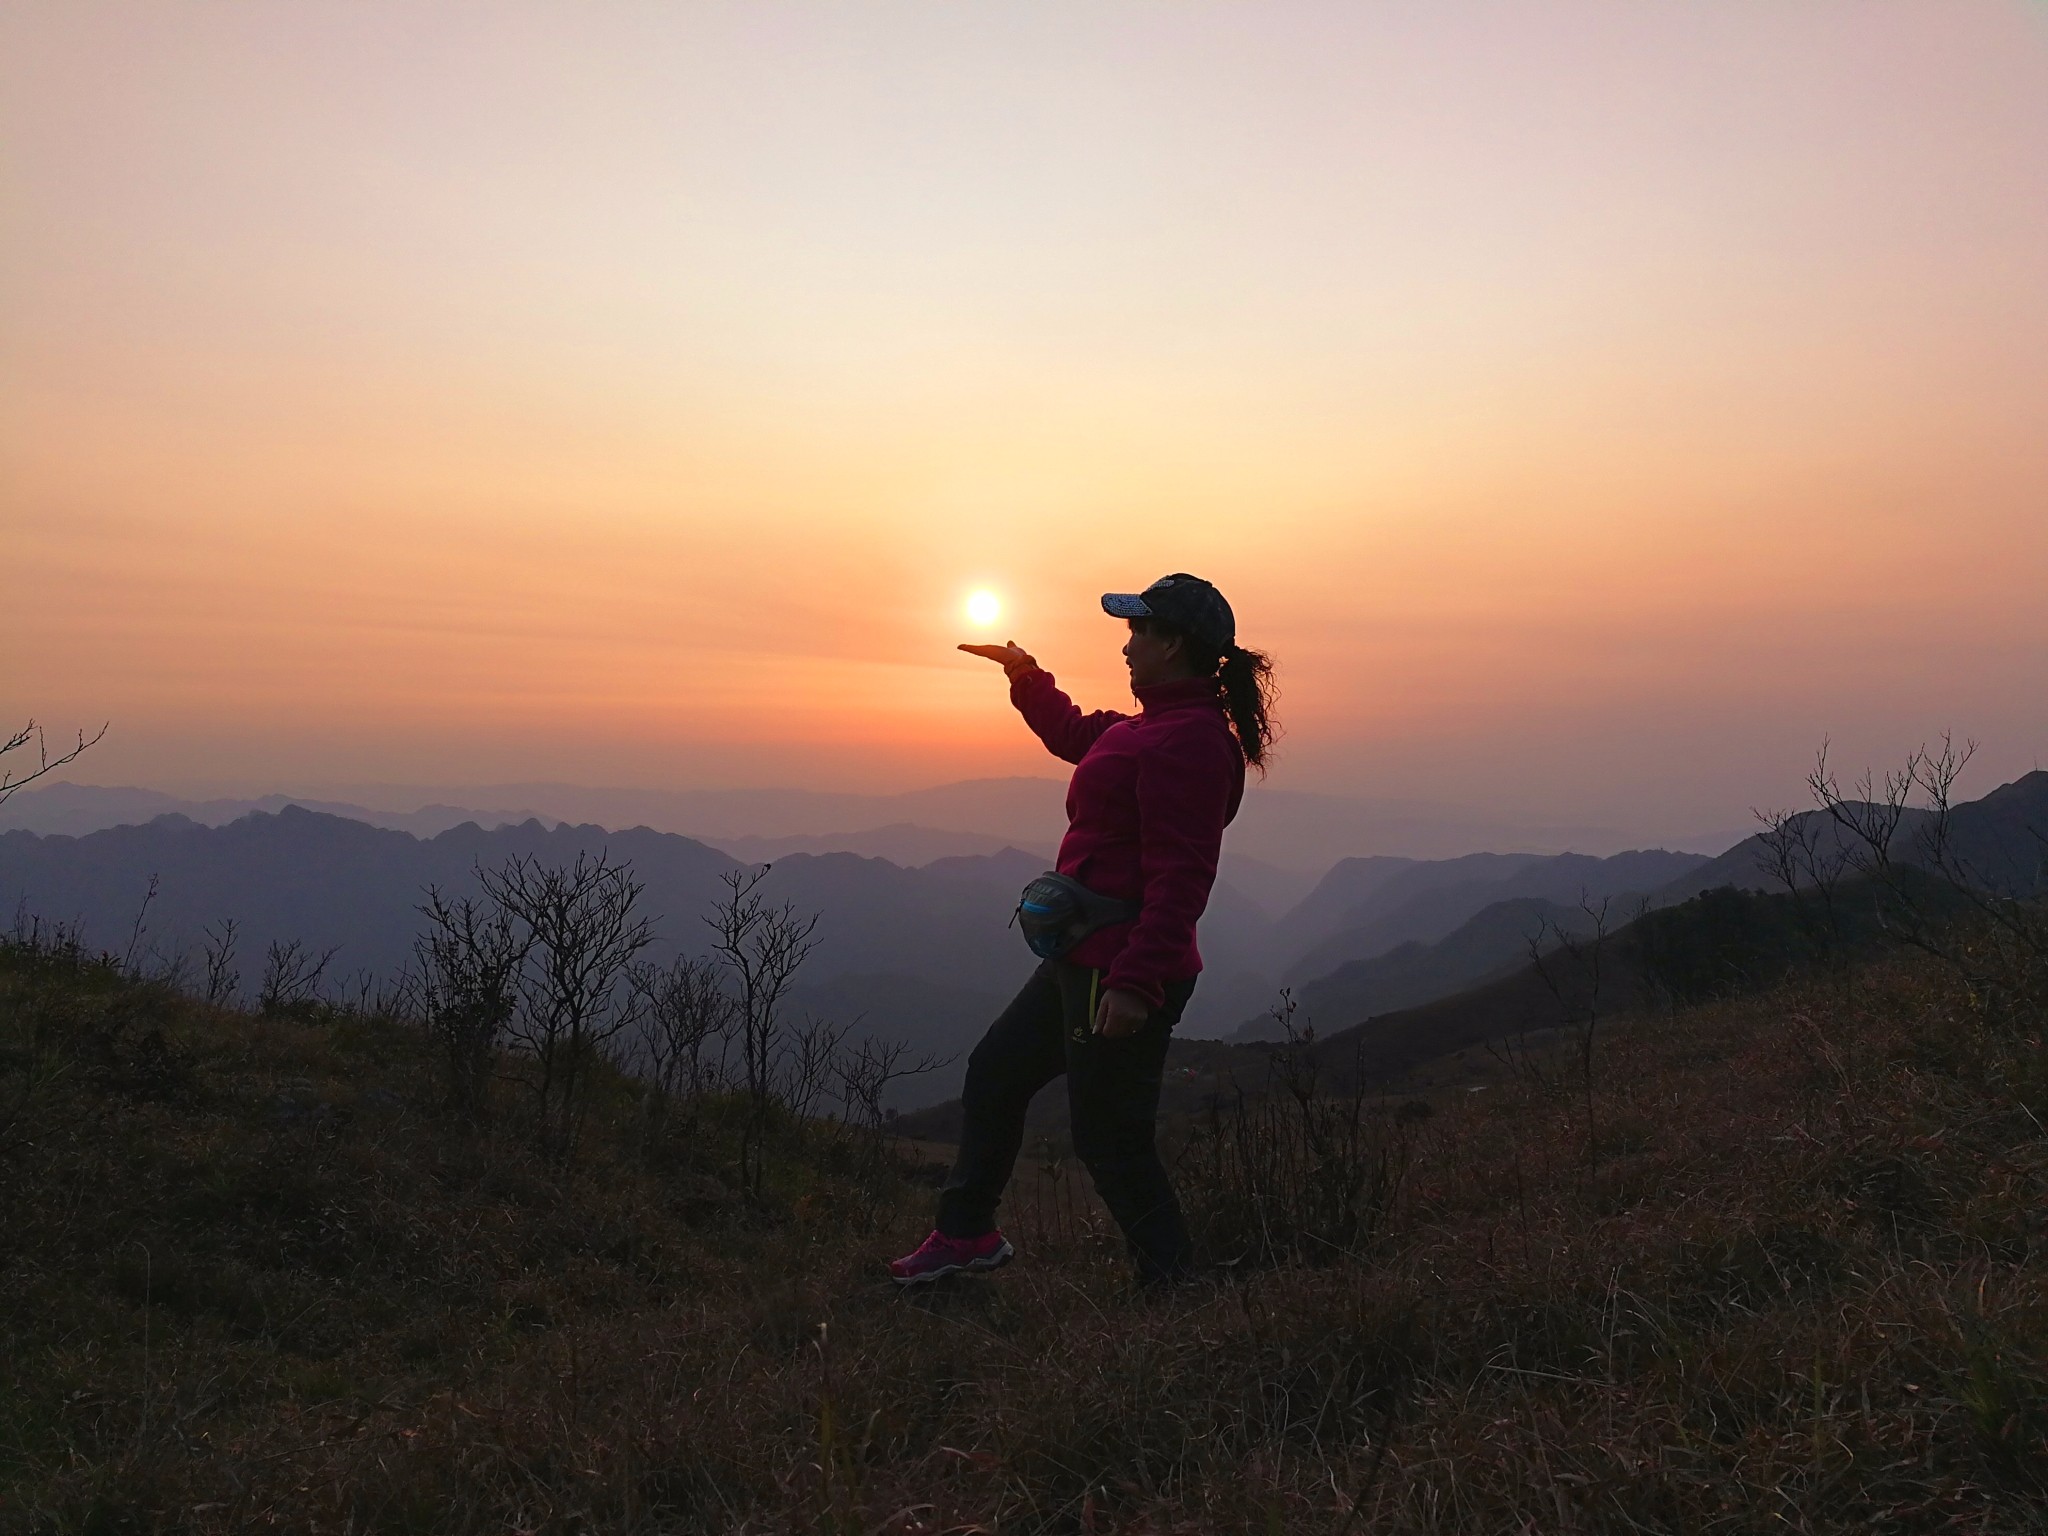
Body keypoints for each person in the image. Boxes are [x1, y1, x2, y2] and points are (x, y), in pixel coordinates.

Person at [889, 573, 1277, 1289]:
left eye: (1138, 632)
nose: (1126, 647)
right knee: (997, 1074)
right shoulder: (1145, 727)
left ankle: (1174, 1288)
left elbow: (1183, 877)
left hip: (1119, 968)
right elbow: (1074, 735)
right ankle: (967, 1235)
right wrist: (1026, 674)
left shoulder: (1188, 742)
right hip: (1082, 958)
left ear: (1174, 644)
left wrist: (1136, 984)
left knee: (1110, 1139)